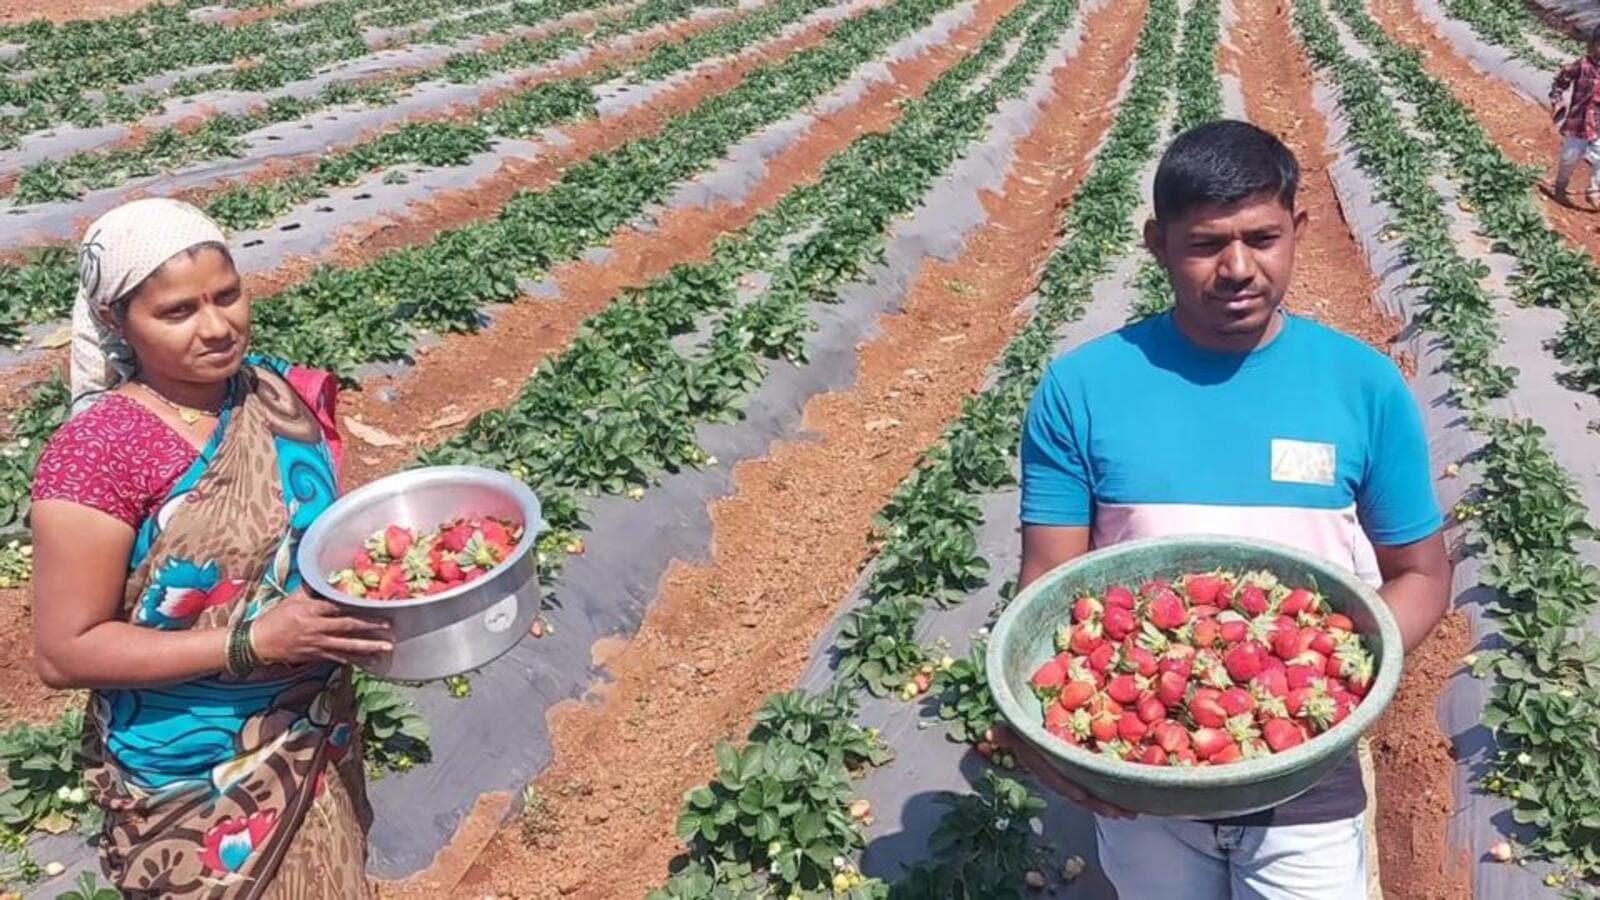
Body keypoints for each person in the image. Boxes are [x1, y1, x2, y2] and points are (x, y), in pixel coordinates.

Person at [1005, 121, 1451, 898]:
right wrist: (1031, 717)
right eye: (1206, 244)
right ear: (1158, 244)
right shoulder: (1083, 389)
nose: (1238, 268)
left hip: (1307, 763)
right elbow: (1051, 583)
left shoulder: (1363, 385)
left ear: (1298, 229)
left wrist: (1337, 679)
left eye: (1262, 238)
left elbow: (1421, 573)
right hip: (1143, 770)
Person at [30, 198, 393, 899]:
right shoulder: (101, 450)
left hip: (313, 733)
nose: (218, 326)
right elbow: (63, 652)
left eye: (227, 295)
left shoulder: (272, 394)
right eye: (178, 311)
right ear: (115, 320)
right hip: (192, 781)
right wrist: (251, 642)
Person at [1549, 29, 1600, 207]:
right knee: (1569, 158)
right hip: (1578, 123)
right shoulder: (1583, 65)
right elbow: (1562, 78)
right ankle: (1560, 186)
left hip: (1598, 123)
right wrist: (1557, 98)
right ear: (1593, 44)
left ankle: (1594, 190)